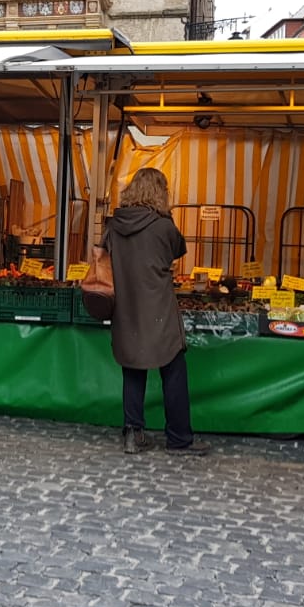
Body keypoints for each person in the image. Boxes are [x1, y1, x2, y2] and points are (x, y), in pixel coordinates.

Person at [103, 168, 208, 455]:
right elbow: (178, 249)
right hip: (158, 307)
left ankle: (132, 434)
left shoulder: (114, 224)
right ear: (160, 192)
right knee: (173, 370)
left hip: (125, 307)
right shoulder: (163, 226)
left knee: (133, 369)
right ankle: (179, 438)